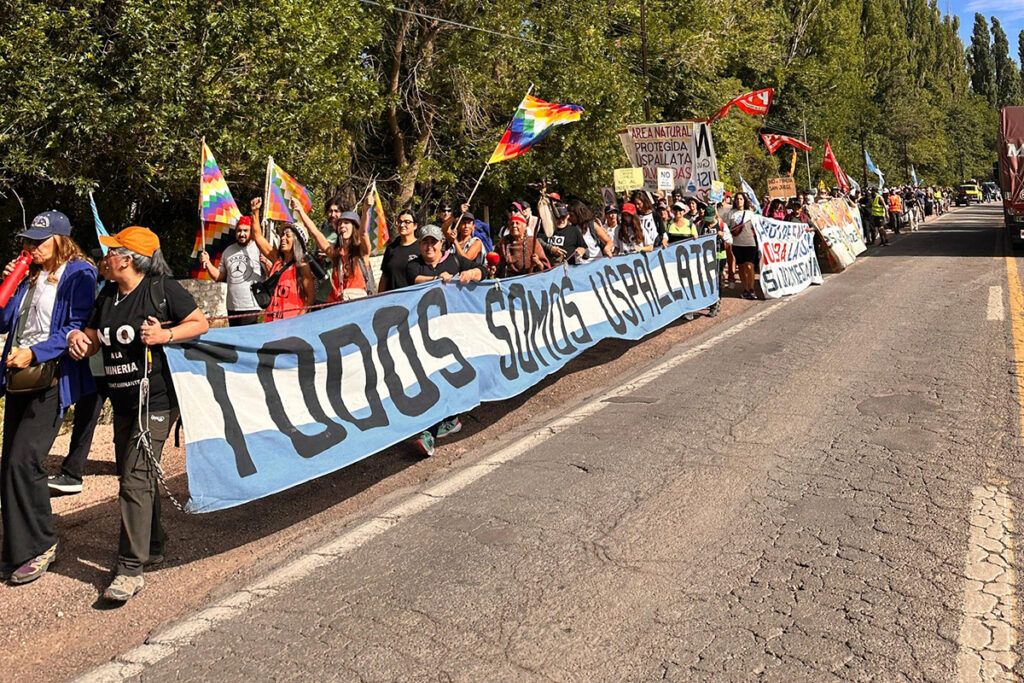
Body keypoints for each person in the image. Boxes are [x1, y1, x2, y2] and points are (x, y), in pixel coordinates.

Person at [65, 226, 208, 602]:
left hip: (157, 401)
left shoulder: (161, 289)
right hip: (123, 401)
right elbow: (94, 334)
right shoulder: (108, 295)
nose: (104, 256)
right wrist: (79, 339)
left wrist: (166, 336)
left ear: (127, 259)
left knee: (134, 479)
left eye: (111, 251)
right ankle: (154, 544)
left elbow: (200, 322)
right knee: (136, 477)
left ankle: (130, 568)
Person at [0, 211, 97, 584]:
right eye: (28, 240)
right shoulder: (31, 273)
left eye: (39, 241)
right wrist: (12, 280)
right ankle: (16, 548)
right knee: (9, 463)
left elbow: (76, 326)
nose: (31, 247)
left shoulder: (79, 273)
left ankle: (42, 544)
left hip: (51, 377)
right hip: (18, 376)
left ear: (60, 240)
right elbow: (4, 321)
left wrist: (36, 352)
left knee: (24, 461)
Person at [405, 225, 485, 457]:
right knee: (430, 380)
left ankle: (447, 420)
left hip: (455, 332)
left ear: (442, 244)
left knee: (451, 377)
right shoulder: (414, 264)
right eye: (425, 243)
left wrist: (471, 274)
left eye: (434, 242)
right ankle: (430, 431)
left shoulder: (455, 261)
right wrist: (438, 279)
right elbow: (416, 278)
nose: (429, 247)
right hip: (425, 333)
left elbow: (482, 270)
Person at [48, 250, 113, 497]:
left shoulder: (123, 288)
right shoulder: (92, 287)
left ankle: (130, 466)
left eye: (108, 258)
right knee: (85, 418)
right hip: (94, 366)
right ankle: (72, 473)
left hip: (121, 368)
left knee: (127, 420)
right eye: (103, 259)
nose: (105, 262)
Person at [251, 198, 317, 320]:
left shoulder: (302, 265)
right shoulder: (277, 259)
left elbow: (310, 297)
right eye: (282, 235)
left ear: (297, 241)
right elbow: (257, 236)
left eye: (288, 235)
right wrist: (255, 212)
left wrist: (299, 320)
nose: (282, 238)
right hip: (271, 321)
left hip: (291, 324)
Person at [294, 201, 372, 302]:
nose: (342, 226)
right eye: (340, 223)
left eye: (346, 223)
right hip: (336, 305)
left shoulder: (361, 251)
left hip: (357, 306)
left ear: (355, 227)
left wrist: (365, 209)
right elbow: (316, 234)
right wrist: (300, 211)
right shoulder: (336, 253)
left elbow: (363, 233)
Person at [199, 215, 263, 326]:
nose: (242, 234)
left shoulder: (259, 249)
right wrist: (208, 263)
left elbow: (272, 272)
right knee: (235, 340)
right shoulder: (228, 251)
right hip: (232, 306)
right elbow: (219, 277)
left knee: (248, 340)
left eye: (245, 230)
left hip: (252, 306)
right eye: (239, 231)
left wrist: (266, 262)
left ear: (251, 231)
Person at [728, 193, 760, 300]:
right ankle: (745, 288)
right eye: (737, 199)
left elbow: (757, 227)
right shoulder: (731, 213)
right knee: (741, 267)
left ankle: (751, 289)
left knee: (749, 266)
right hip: (737, 244)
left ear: (744, 200)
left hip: (750, 243)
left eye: (741, 199)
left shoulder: (750, 213)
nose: (739, 201)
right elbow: (726, 227)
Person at [379, 210, 420, 292]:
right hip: (392, 298)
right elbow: (385, 276)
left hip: (413, 298)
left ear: (415, 225)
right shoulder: (391, 248)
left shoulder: (421, 247)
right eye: (400, 222)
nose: (402, 225)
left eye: (407, 222)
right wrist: (378, 297)